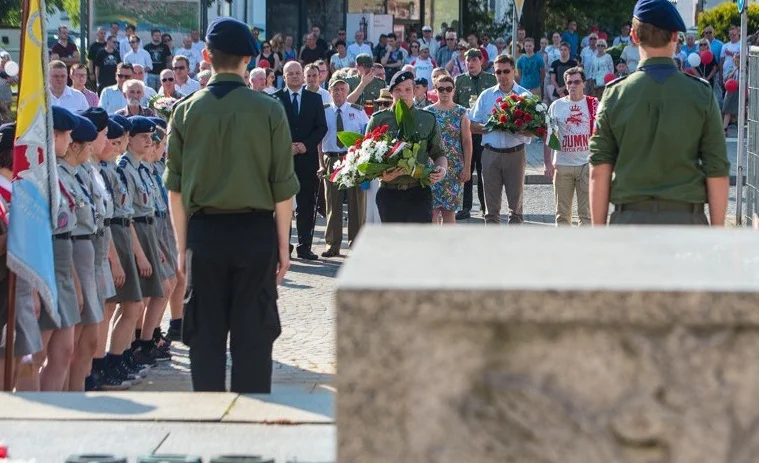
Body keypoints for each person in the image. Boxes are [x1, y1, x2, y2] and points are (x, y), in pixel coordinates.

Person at [165, 17, 298, 393]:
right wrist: (283, 246)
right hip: (255, 234)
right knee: (254, 338)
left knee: (204, 339)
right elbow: (282, 189)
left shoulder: (186, 111)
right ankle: (249, 434)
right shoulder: (270, 110)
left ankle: (209, 426)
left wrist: (181, 249)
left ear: (206, 56)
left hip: (204, 235)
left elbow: (174, 190)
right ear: (248, 60)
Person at [589, 0, 730, 226]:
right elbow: (717, 171)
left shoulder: (615, 94)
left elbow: (599, 169)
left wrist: (599, 234)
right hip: (687, 223)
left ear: (634, 37)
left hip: (629, 223)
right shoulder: (701, 93)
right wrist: (716, 235)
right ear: (676, 36)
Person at [365, 71, 447, 223]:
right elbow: (366, 160)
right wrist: (381, 175)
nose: (403, 94)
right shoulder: (378, 120)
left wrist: (442, 169)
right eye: (398, 90)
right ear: (391, 92)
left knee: (419, 243)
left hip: (419, 191)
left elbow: (438, 153)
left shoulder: (427, 118)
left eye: (407, 89)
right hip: (389, 193)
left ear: (415, 90)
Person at [469, 54, 532, 224]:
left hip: (516, 155)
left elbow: (536, 131)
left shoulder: (525, 96)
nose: (502, 76)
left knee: (516, 210)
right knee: (491, 210)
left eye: (506, 71)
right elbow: (471, 125)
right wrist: (492, 126)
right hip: (490, 154)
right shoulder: (486, 96)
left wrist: (519, 128)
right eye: (498, 72)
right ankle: (492, 247)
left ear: (514, 71)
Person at [275, 61, 327, 260]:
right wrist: (285, 146)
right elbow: (271, 128)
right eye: (291, 73)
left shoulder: (314, 99)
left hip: (307, 158)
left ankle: (305, 246)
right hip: (283, 159)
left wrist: (306, 144)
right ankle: (283, 246)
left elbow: (321, 127)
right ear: (284, 76)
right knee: (284, 203)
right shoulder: (275, 99)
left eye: (298, 73)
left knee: (306, 202)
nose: (295, 76)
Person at [318, 78, 369, 256]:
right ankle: (332, 243)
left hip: (353, 159)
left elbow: (366, 135)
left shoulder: (358, 111)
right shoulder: (323, 111)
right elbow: (319, 140)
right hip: (331, 159)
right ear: (330, 92)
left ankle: (356, 243)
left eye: (342, 89)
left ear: (347, 92)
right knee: (333, 203)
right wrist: (321, 164)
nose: (338, 93)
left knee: (356, 203)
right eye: (335, 90)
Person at [543, 67, 595, 226]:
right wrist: (547, 163)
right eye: (569, 82)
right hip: (563, 164)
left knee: (586, 215)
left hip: (586, 164)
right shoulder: (557, 106)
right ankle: (565, 248)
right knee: (562, 215)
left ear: (584, 83)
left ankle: (583, 248)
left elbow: (603, 135)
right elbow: (550, 136)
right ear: (565, 85)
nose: (573, 85)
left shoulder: (593, 104)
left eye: (577, 82)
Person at [452, 49, 495, 220]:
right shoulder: (460, 80)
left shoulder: (491, 80)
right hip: (467, 132)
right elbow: (454, 104)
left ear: (481, 61)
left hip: (485, 131)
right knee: (466, 170)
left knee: (485, 171)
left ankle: (486, 207)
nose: (471, 63)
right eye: (468, 61)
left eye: (474, 60)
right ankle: (465, 207)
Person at [425, 75, 472, 224]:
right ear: (435, 90)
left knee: (449, 212)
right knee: (431, 211)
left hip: (454, 168)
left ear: (453, 91)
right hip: (432, 166)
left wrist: (467, 167)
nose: (445, 92)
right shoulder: (427, 112)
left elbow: (466, 141)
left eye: (448, 89)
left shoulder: (461, 112)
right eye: (441, 89)